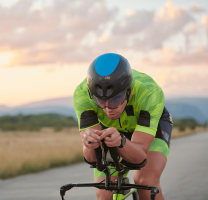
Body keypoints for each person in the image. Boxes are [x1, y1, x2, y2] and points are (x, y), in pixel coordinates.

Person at [73, 53, 172, 200]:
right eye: (100, 100)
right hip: (111, 130)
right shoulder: (82, 94)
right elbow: (91, 159)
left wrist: (121, 142)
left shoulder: (150, 92)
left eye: (116, 98)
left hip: (150, 128)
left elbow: (139, 157)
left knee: (146, 182)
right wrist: (89, 143)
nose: (108, 108)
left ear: (129, 91)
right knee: (104, 192)